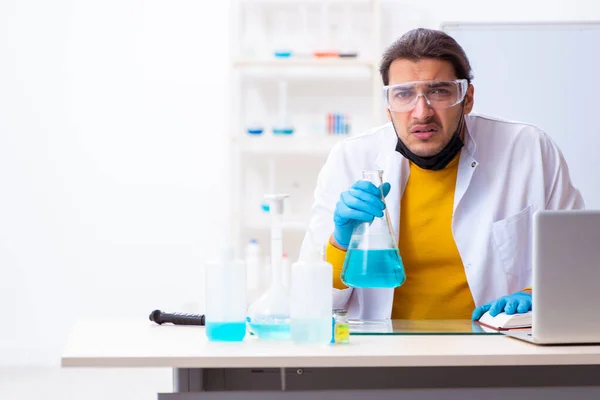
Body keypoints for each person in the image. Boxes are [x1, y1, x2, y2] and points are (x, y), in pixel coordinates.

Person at [299, 28, 584, 322]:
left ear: (467, 98)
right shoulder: (351, 158)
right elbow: (311, 304)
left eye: (439, 91)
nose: (421, 112)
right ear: (388, 106)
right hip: (382, 356)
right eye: (403, 94)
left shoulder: (528, 149)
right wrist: (340, 242)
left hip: (500, 352)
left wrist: (535, 295)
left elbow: (580, 260)